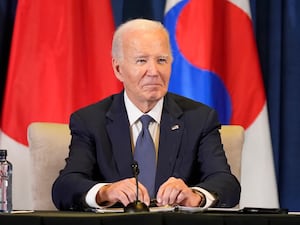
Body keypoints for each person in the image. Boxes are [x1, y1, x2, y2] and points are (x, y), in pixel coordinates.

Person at [52, 18, 240, 211]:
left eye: (161, 60)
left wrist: (196, 196)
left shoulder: (199, 118)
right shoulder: (90, 121)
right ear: (118, 69)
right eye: (141, 60)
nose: (154, 71)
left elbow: (226, 183)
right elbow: (65, 186)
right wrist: (105, 192)